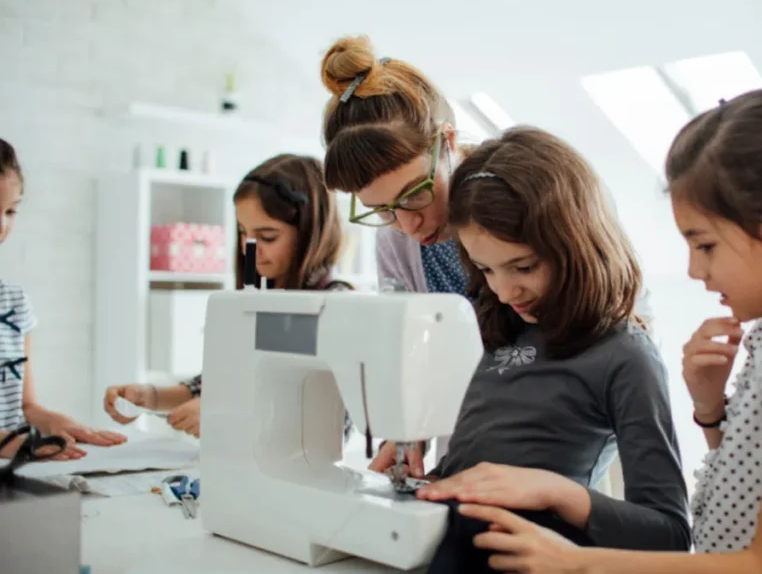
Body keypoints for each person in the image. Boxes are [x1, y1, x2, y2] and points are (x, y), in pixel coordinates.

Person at [453, 84, 762, 574]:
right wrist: (712, 412)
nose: (695, 270)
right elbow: (752, 492)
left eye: (705, 245)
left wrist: (575, 562)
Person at [319, 34, 655, 469]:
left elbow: (623, 320)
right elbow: (413, 354)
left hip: (568, 429)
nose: (407, 224)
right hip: (470, 433)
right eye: (381, 210)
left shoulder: (525, 199)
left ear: (448, 142)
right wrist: (411, 429)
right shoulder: (395, 246)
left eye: (415, 195)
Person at [379, 127, 690, 572]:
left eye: (523, 267)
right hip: (448, 533)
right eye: (486, 269)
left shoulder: (626, 356)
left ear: (576, 243)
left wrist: (553, 491)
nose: (504, 291)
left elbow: (671, 536)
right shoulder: (493, 326)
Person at [103, 154, 352, 438]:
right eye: (243, 233)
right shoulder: (257, 298)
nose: (250, 249)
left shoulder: (335, 304)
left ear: (310, 234)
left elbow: (337, 422)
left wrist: (227, 414)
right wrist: (151, 396)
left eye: (268, 237)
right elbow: (221, 379)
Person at [0, 138, 127, 460]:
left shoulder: (14, 302)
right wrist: (18, 447)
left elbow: (26, 407)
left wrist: (60, 424)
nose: (3, 225)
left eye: (11, 211)